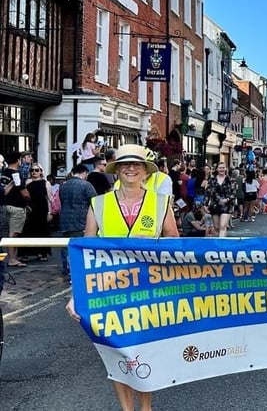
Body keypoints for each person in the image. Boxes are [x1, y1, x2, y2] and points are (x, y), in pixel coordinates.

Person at [65, 144, 178, 411]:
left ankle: (146, 406)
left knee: (145, 350)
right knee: (116, 352)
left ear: (145, 171)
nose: (130, 168)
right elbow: (85, 251)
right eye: (124, 164)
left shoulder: (161, 202)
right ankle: (127, 409)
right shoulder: (99, 203)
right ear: (116, 170)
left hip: (150, 288)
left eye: (136, 164)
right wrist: (76, 295)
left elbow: (175, 242)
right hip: (109, 288)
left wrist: (154, 242)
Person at [59, 164, 97, 275]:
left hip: (65, 219)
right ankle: (76, 269)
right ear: (84, 173)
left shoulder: (64, 185)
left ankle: (66, 266)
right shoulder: (86, 185)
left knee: (66, 244)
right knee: (79, 245)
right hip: (81, 219)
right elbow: (95, 202)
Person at [1, 151, 31, 267]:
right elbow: (24, 193)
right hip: (16, 207)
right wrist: (28, 199)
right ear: (18, 160)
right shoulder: (15, 174)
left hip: (5, 206)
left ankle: (11, 257)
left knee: (8, 232)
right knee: (13, 234)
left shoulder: (4, 173)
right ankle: (12, 259)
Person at [19, 163, 53, 261]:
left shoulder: (46, 183)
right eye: (32, 170)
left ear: (41, 172)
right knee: (27, 231)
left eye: (37, 170)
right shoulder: (27, 182)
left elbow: (49, 199)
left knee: (42, 231)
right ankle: (25, 253)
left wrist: (49, 213)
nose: (34, 172)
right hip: (30, 210)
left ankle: (42, 253)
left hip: (42, 209)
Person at [205, 162, 236, 237]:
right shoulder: (212, 180)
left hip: (227, 205)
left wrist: (227, 199)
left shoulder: (231, 180)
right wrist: (205, 205)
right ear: (217, 169)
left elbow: (234, 193)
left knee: (223, 226)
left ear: (226, 169)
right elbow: (208, 193)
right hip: (215, 204)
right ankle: (216, 246)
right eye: (220, 168)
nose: (222, 169)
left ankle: (221, 245)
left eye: (223, 168)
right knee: (216, 227)